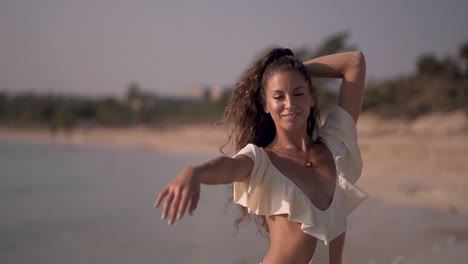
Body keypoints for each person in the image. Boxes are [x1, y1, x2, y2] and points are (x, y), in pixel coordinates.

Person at [154, 48, 368, 264]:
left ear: (312, 97)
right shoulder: (261, 160)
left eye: (298, 93)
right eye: (278, 96)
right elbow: (230, 167)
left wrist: (293, 69)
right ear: (266, 104)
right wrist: (196, 172)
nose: (290, 104)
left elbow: (354, 62)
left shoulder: (334, 144)